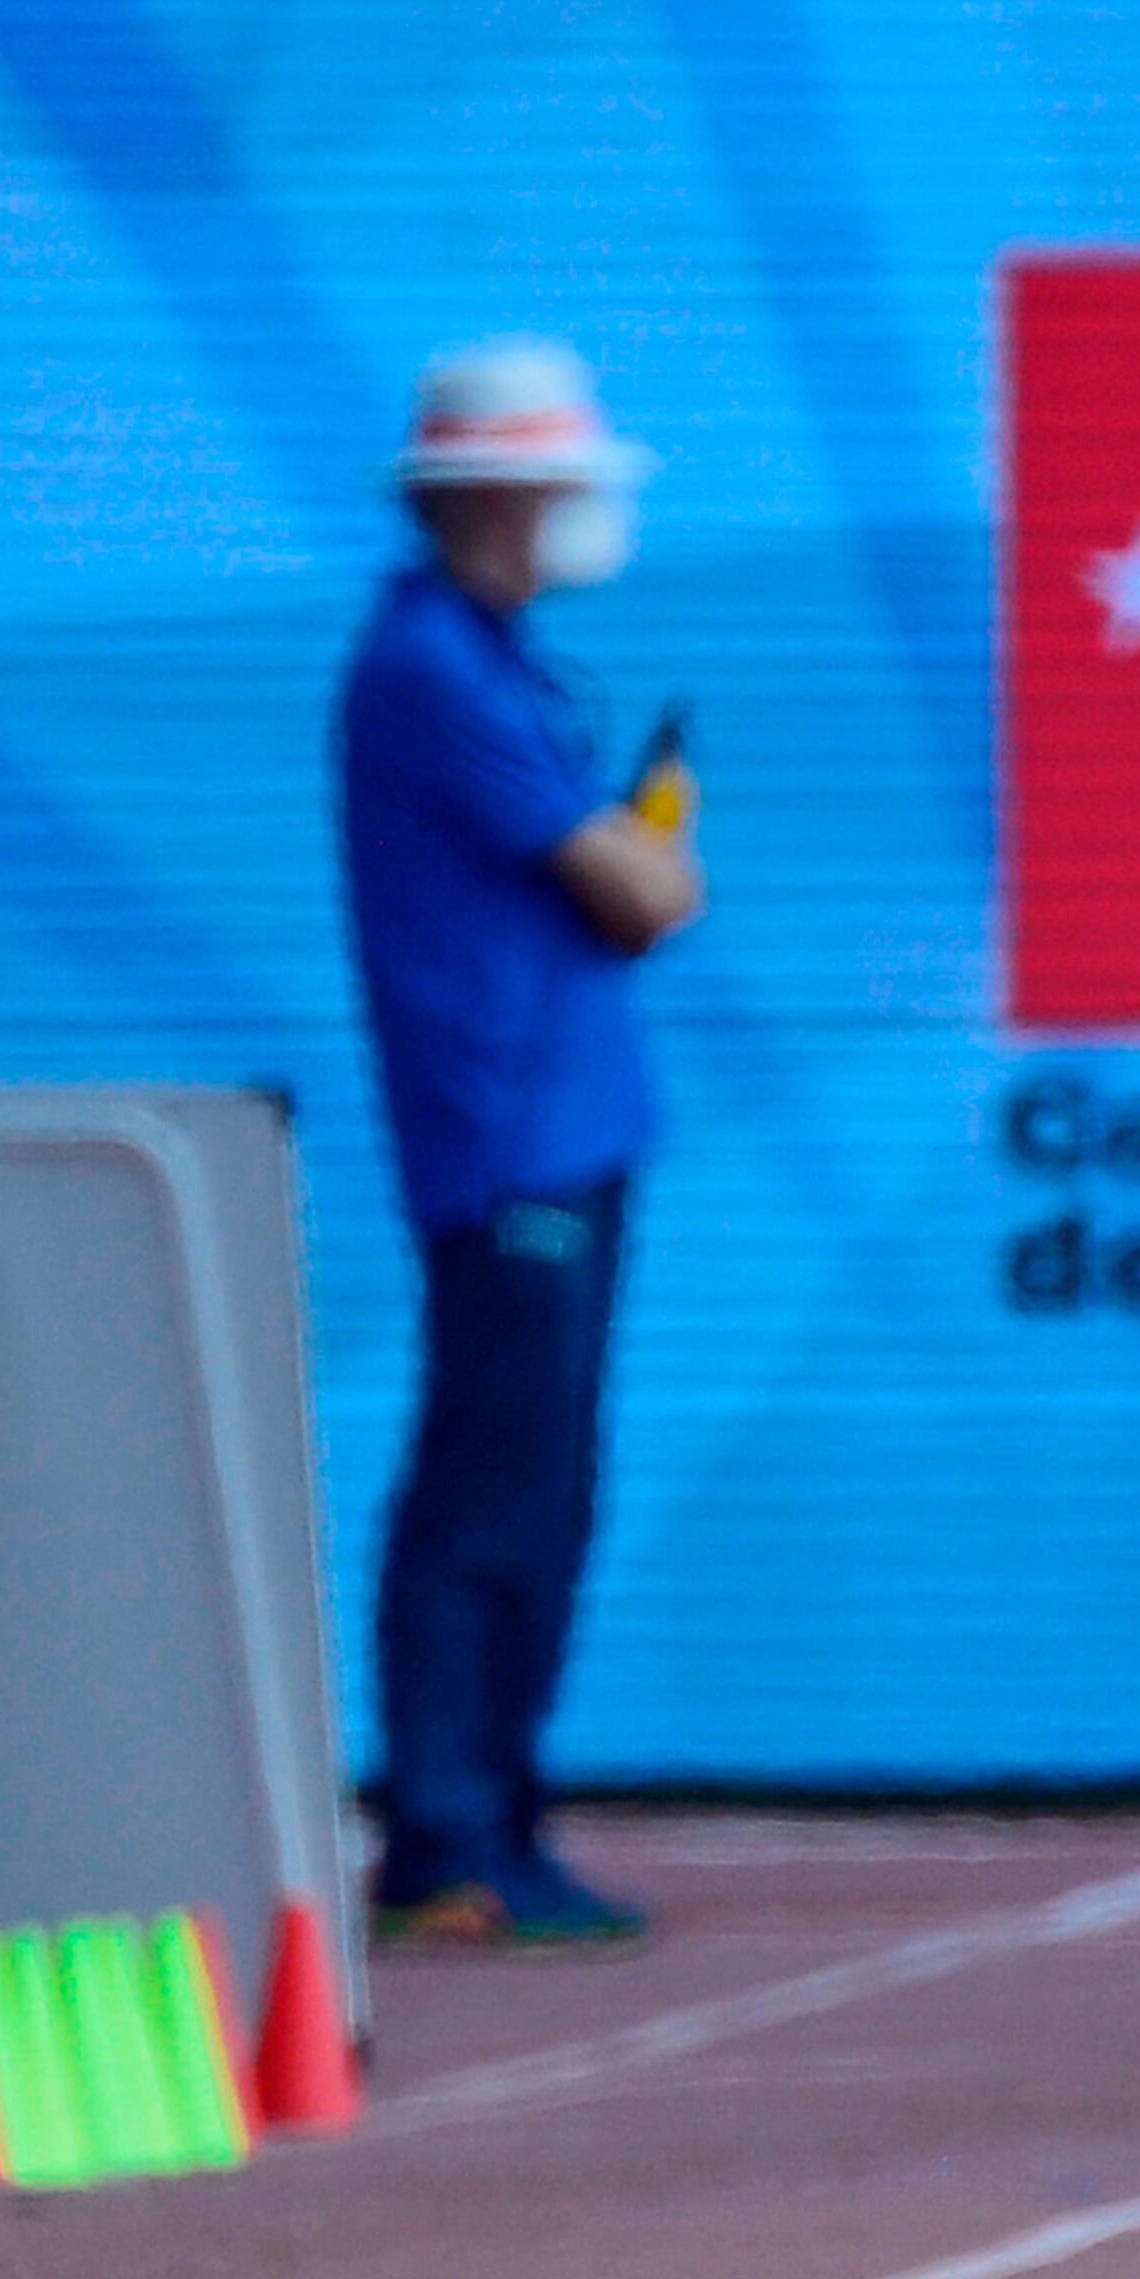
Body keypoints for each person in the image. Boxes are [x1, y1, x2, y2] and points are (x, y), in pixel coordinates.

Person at [333, 339, 702, 1950]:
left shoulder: (490, 661)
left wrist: (640, 849)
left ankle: (496, 1815)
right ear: (501, 495)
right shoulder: (433, 669)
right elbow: (633, 892)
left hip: (563, 1128)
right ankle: (446, 1833)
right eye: (565, 486)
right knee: (493, 1489)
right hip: (509, 1145)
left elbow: (619, 884)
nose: (582, 515)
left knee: (540, 1492)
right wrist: (648, 850)